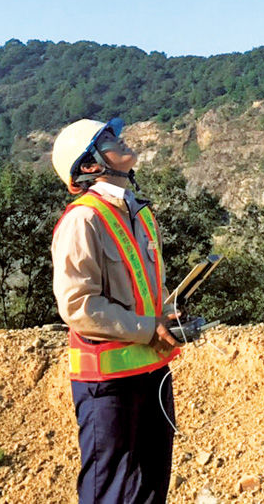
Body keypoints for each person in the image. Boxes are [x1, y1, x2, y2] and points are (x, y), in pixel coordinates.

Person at [51, 116, 180, 504]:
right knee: (108, 491)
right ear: (89, 165)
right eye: (107, 138)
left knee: (150, 487)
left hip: (152, 372)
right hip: (106, 385)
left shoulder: (139, 213)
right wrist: (146, 328)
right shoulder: (83, 219)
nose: (119, 140)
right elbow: (78, 305)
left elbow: (145, 290)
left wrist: (168, 317)